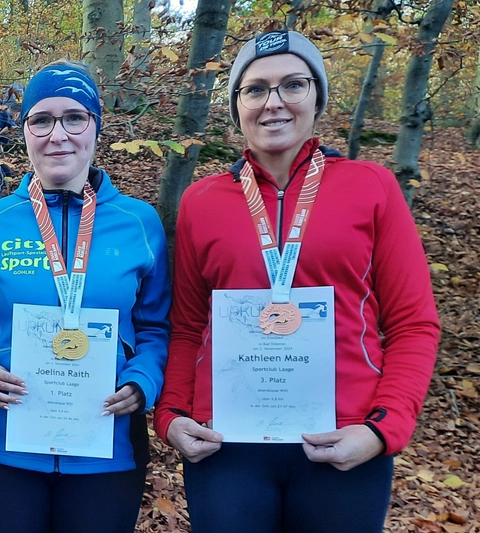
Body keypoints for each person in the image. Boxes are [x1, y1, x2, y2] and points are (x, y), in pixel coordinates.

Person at [155, 30, 440, 532]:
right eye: (255, 89)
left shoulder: (371, 186)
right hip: (228, 444)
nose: (274, 103)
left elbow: (413, 323)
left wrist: (382, 429)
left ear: (316, 97)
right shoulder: (202, 201)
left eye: (293, 85)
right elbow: (188, 326)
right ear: (237, 105)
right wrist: (172, 414)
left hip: (343, 441)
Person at [0, 60, 171, 533]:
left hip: (106, 447)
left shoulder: (139, 223)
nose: (58, 135)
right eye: (41, 120)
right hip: (4, 446)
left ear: (96, 126)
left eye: (74, 118)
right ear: (25, 131)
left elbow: (156, 326)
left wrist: (143, 380)